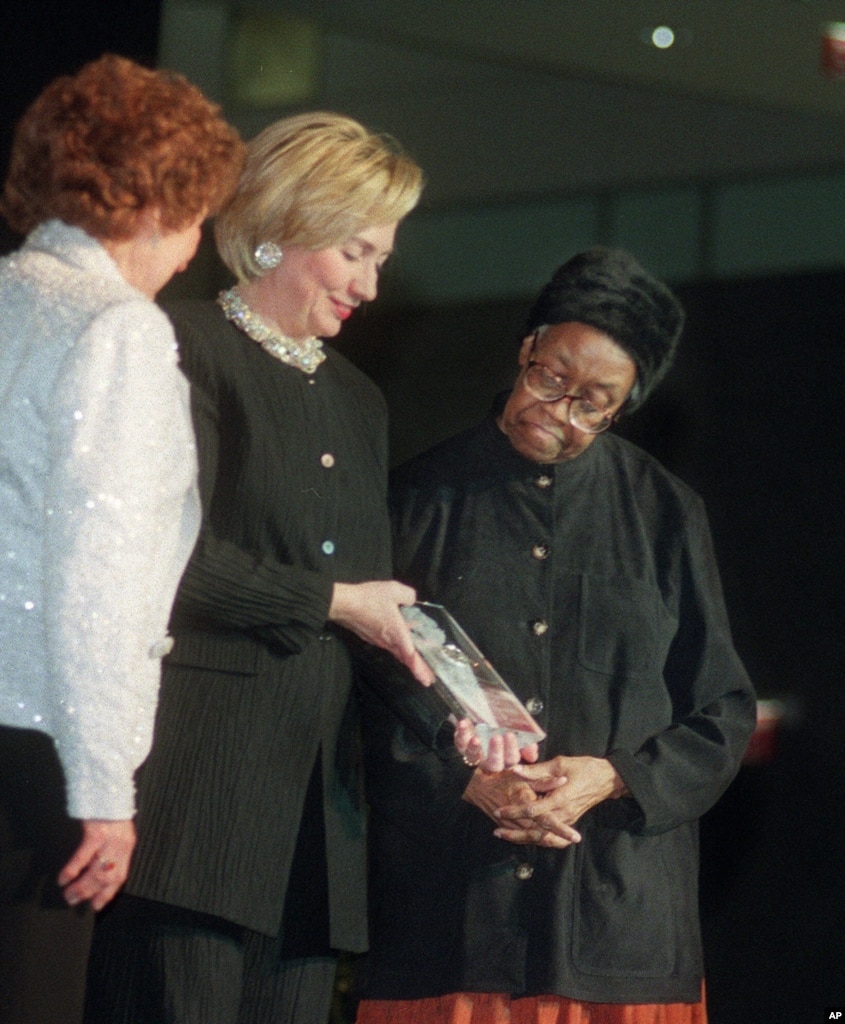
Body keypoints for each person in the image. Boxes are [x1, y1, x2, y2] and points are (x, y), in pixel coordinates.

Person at [85, 111, 430, 1024]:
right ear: (283, 227)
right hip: (194, 812)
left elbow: (368, 607)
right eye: (356, 251)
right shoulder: (178, 346)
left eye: (382, 260)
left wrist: (466, 716)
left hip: (314, 840)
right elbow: (156, 559)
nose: (369, 282)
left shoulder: (359, 402)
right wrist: (333, 602)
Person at [356, 248, 757, 1024]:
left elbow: (722, 713)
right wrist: (462, 776)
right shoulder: (414, 501)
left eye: (593, 402)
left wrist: (609, 778)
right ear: (525, 347)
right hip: (452, 923)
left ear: (623, 408)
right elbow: (359, 693)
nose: (558, 410)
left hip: (621, 928)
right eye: (550, 378)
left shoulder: (666, 514)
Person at [0, 53, 244, 1024]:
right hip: (38, 750)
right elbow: (96, 580)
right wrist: (102, 786)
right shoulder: (120, 332)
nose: (190, 253)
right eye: (193, 220)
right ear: (149, 204)